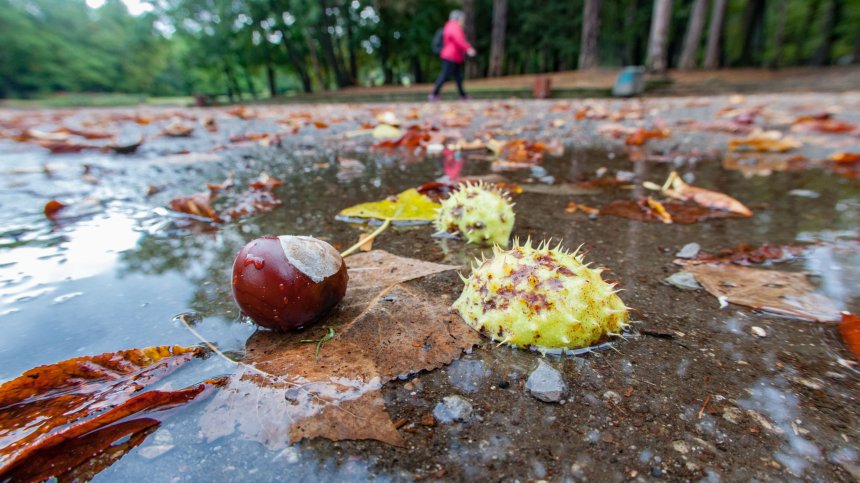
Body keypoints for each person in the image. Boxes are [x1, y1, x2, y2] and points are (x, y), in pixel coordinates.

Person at [429, 10, 476, 101]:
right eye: (462, 19)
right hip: (450, 56)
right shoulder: (454, 27)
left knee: (458, 77)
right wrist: (468, 48)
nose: (463, 22)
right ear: (458, 19)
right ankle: (434, 94)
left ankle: (463, 95)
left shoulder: (449, 26)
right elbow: (459, 40)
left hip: (453, 56)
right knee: (445, 75)